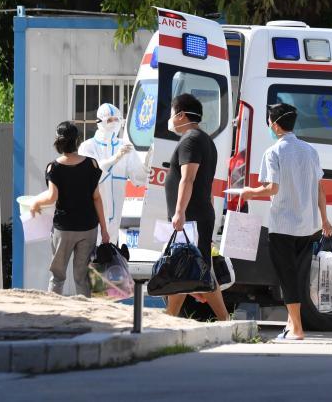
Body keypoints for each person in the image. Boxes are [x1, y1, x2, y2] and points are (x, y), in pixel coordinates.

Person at [240, 103, 332, 341]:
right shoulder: (310, 151)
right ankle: (291, 326)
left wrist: (250, 192)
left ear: (275, 125)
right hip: (309, 225)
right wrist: (325, 219)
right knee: (299, 276)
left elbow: (272, 188)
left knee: (286, 276)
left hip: (283, 225)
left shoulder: (273, 152)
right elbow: (320, 190)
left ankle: (297, 329)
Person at [162, 93, 230, 321]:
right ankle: (171, 318)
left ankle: (222, 320)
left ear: (181, 115)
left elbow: (188, 178)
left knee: (187, 268)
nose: (170, 119)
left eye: (172, 114)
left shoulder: (190, 140)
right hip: (198, 215)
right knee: (187, 268)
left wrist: (179, 213)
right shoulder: (204, 139)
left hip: (191, 217)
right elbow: (205, 183)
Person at [30, 121, 110, 296]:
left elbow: (52, 197)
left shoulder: (54, 167)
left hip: (64, 229)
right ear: (77, 141)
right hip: (88, 228)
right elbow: (97, 198)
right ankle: (85, 311)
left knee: (57, 277)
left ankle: (55, 309)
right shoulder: (92, 164)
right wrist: (104, 229)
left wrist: (36, 203)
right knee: (82, 277)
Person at [78, 103, 148, 244]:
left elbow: (139, 179)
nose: (114, 123)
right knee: (92, 251)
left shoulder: (125, 147)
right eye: (109, 120)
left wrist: (148, 162)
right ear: (99, 122)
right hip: (92, 214)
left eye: (117, 119)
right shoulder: (88, 147)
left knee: (110, 250)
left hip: (116, 217)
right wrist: (115, 159)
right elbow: (92, 177)